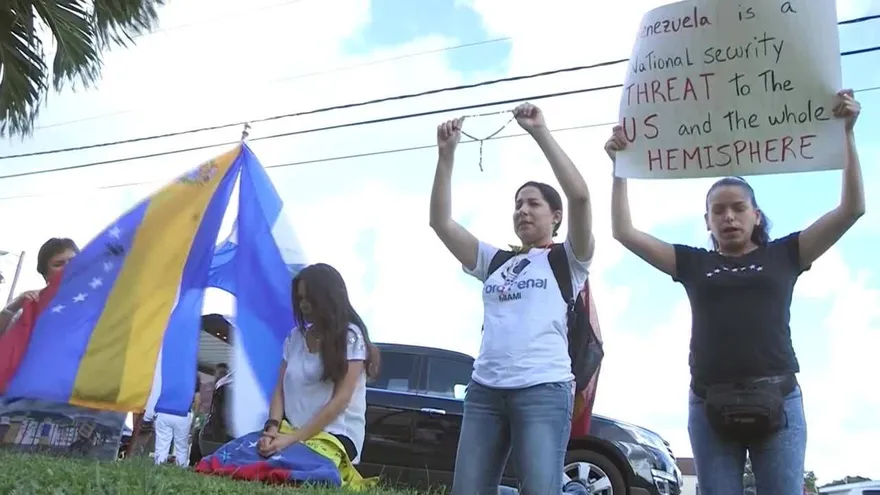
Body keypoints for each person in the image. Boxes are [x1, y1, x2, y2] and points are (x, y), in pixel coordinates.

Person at [605, 90, 864, 494]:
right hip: (709, 404)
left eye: (738, 207)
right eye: (718, 210)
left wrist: (846, 134)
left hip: (779, 399)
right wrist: (619, 167)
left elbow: (851, 210)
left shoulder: (787, 254)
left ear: (755, 214)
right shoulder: (692, 263)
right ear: (707, 221)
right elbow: (624, 232)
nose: (728, 216)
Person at [430, 103, 595, 495]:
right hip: (485, 391)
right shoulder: (495, 262)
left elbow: (582, 197)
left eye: (533, 203)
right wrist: (446, 156)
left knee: (540, 489)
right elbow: (441, 222)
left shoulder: (567, 260)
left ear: (556, 216)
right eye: (518, 204)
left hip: (543, 389)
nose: (522, 210)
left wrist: (540, 132)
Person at [258, 263, 380, 464]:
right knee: (245, 456)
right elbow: (279, 391)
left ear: (327, 298)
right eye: (300, 299)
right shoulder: (294, 338)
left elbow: (341, 400)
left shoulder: (350, 337)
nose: (304, 305)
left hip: (335, 436)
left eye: (310, 299)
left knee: (293, 466)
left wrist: (293, 439)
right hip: (291, 432)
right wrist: (271, 430)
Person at [0, 237, 78, 335]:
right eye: (58, 264)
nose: (68, 267)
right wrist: (15, 306)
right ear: (46, 275)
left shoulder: (99, 299)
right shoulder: (33, 306)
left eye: (73, 261)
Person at [153, 372, 200, 467]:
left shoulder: (168, 371)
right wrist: (194, 419)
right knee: (181, 446)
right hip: (183, 413)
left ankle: (158, 466)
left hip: (164, 411)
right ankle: (181, 468)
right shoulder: (194, 375)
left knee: (162, 444)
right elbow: (198, 400)